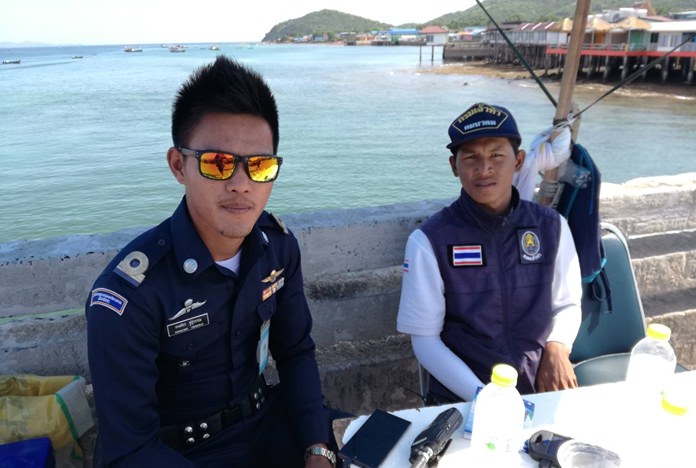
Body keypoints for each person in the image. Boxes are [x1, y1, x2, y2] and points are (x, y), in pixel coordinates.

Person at [86, 56, 340, 468]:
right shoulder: (129, 295)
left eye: (259, 166)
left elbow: (295, 353)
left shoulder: (277, 249)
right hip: (175, 454)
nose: (241, 184)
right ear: (178, 165)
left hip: (266, 425)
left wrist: (317, 448)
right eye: (218, 163)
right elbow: (128, 450)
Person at [396, 102, 582, 404]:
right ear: (454, 166)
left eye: (497, 155)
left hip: (541, 385)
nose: (484, 169)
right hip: (463, 396)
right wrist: (484, 397)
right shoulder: (429, 240)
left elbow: (568, 303)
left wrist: (558, 346)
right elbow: (425, 341)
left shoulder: (552, 226)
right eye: (471, 158)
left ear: (519, 161)